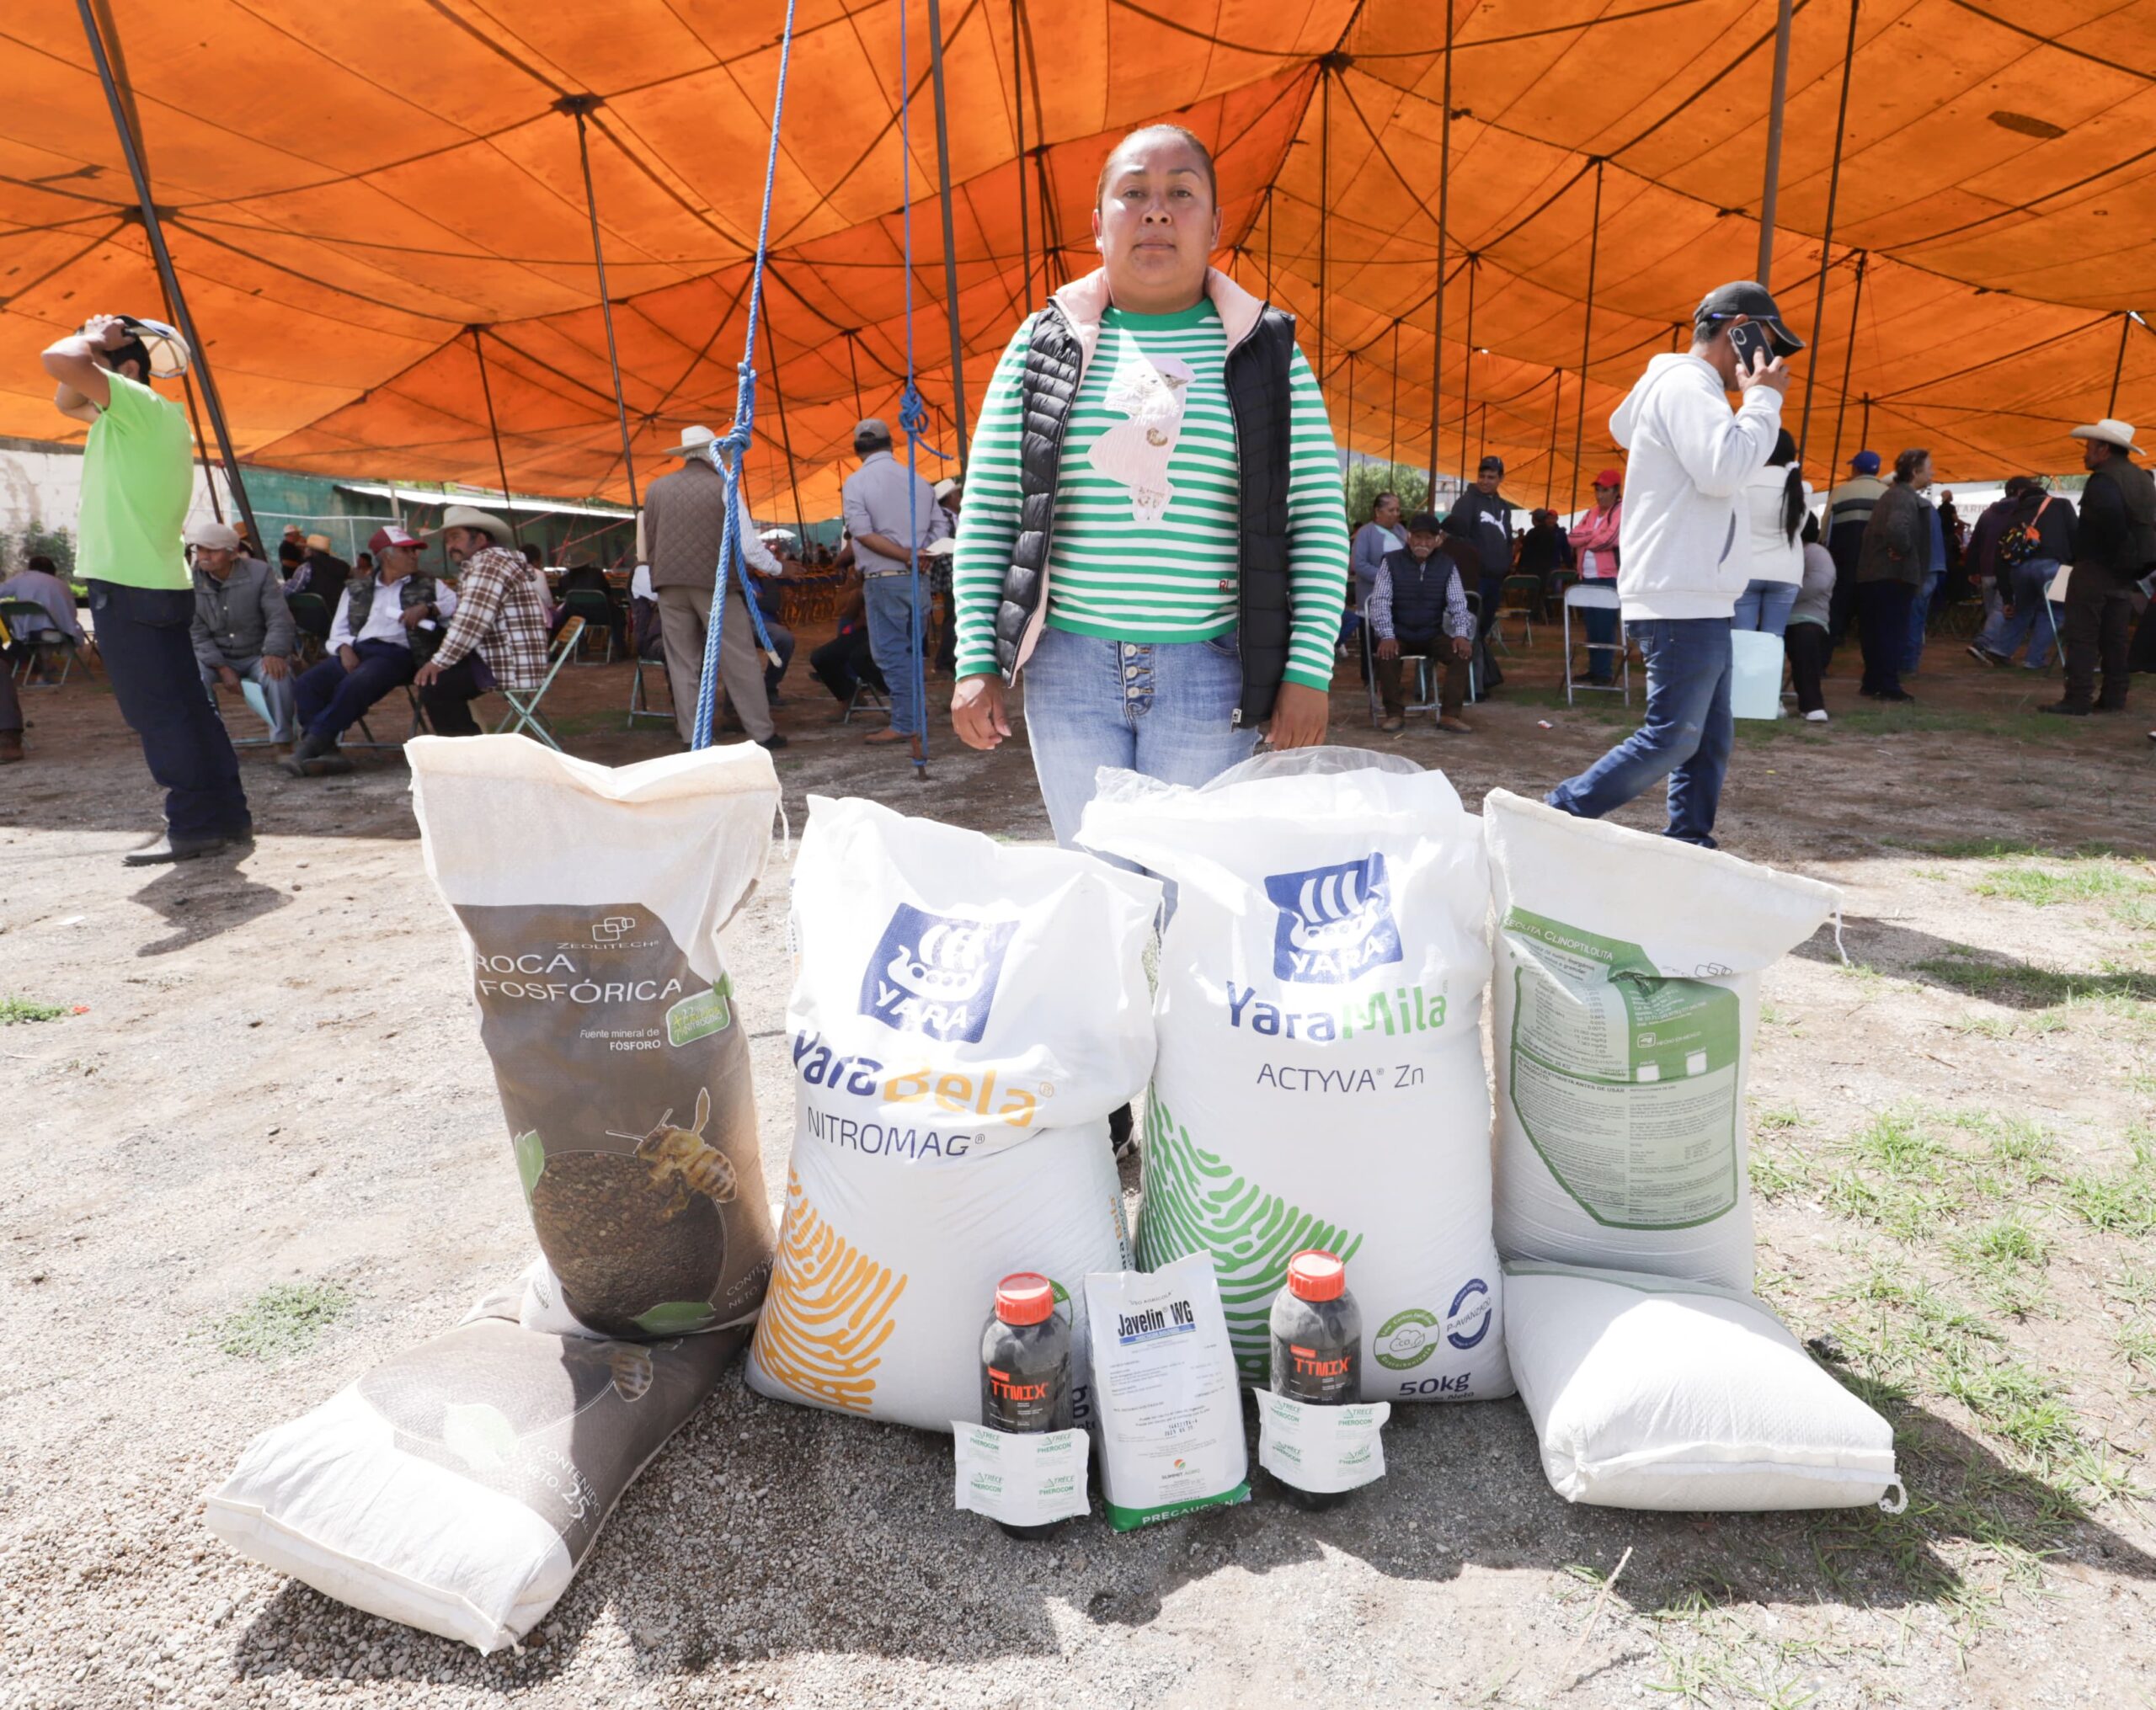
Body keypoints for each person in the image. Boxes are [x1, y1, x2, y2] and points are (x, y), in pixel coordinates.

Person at [949, 120, 1348, 846]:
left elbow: (1317, 518)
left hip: (1212, 674)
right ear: (1097, 224)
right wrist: (976, 655)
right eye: (1133, 193)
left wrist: (1308, 669)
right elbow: (992, 513)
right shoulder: (1041, 346)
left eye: (1181, 193)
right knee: (1102, 882)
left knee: (1187, 888)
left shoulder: (1267, 353)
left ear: (1216, 224)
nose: (1157, 211)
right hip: (1069, 671)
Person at [1545, 280, 1796, 847]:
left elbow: (1626, 429)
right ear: (1740, 331)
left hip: (1689, 590)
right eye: (1769, 344)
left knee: (1706, 739)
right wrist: (1763, 400)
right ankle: (1556, 813)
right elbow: (1722, 470)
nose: (1775, 361)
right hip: (1681, 590)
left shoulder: (1682, 385)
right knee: (1674, 737)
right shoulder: (1688, 387)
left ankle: (1690, 842)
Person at [41, 312, 251, 863]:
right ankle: (226, 818)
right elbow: (66, 397)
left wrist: (91, 341)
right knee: (188, 706)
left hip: (130, 585)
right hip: (151, 582)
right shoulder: (145, 416)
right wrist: (97, 350)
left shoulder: (137, 405)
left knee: (158, 713)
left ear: (126, 369)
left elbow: (58, 361)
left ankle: (194, 824)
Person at [638, 424, 787, 749]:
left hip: (668, 583)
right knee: (739, 658)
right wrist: (779, 568)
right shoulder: (725, 486)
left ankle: (693, 737)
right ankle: (761, 732)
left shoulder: (655, 489)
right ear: (714, 454)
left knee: (683, 661)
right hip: (714, 584)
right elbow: (748, 547)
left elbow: (648, 540)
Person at [286, 524, 456, 768]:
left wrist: (429, 608)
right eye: (407, 551)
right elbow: (338, 631)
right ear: (386, 556)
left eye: (414, 551)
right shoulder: (357, 589)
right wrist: (344, 649)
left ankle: (314, 743)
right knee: (307, 684)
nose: (414, 556)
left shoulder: (429, 584)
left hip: (400, 654)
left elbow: (458, 605)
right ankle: (328, 753)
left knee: (358, 681)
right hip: (359, 650)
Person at [843, 417, 949, 759]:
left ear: (858, 449)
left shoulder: (856, 483)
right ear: (891, 444)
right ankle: (914, 713)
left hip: (884, 580)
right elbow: (940, 525)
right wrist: (921, 555)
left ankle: (906, 721)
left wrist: (905, 555)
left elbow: (862, 533)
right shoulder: (918, 480)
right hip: (917, 577)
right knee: (912, 651)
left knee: (891, 655)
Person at [2047, 417, 2156, 716]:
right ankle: (2114, 696)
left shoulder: (2105, 480)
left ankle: (2078, 697)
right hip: (2127, 572)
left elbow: (2110, 519)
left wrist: (2120, 553)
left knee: (2082, 633)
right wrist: (2132, 563)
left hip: (2098, 566)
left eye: (2089, 447)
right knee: (2115, 636)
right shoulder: (2141, 479)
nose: (2085, 453)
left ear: (2104, 449)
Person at [413, 509, 549, 735]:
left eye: (456, 537)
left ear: (481, 539)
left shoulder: (488, 566)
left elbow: (471, 622)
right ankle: (472, 751)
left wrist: (439, 662)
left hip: (510, 662)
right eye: (447, 540)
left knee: (435, 685)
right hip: (508, 656)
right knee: (439, 680)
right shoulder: (490, 563)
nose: (449, 546)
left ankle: (471, 758)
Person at [189, 518, 297, 744]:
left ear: (232, 553)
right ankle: (212, 742)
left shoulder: (259, 573)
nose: (204, 556)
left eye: (212, 550)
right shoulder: (191, 581)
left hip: (258, 651)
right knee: (192, 678)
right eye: (200, 549)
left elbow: (278, 616)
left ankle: (284, 741)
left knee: (277, 674)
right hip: (216, 656)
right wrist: (221, 666)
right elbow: (196, 632)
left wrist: (274, 652)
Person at [1368, 511, 1474, 735]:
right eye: (1418, 537)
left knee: (1461, 653)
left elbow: (1457, 603)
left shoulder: (1447, 565)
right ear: (1408, 537)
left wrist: (1461, 634)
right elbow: (1380, 601)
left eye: (1428, 538)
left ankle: (1449, 715)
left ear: (1438, 540)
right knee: (1387, 653)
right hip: (1398, 632)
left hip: (1431, 633)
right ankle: (1394, 714)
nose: (1422, 543)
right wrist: (1387, 635)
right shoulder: (1391, 562)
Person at [1854, 448, 1932, 702]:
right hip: (1892, 576)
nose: (1932, 472)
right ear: (1915, 471)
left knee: (1876, 631)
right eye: (1928, 467)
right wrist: (1904, 551)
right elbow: (1898, 529)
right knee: (1891, 631)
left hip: (1876, 575)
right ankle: (1887, 684)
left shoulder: (1893, 495)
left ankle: (1874, 681)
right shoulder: (1902, 498)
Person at [1970, 479, 2072, 671]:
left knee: (2022, 610)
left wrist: (2008, 598)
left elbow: (2002, 559)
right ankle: (2033, 660)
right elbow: (2076, 535)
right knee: (2055, 612)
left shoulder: (2013, 517)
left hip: (2020, 570)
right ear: (2045, 496)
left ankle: (2001, 649)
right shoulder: (2061, 505)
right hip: (2055, 566)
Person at [1735, 429, 1807, 635]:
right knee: (1774, 638)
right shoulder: (1800, 486)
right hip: (1787, 571)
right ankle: (1771, 669)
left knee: (1742, 637)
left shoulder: (1743, 480)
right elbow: (1798, 529)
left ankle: (1742, 669)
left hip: (1746, 569)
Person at [1567, 469, 1624, 685]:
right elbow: (1572, 538)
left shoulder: (1620, 511)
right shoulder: (1592, 513)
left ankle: (1604, 671)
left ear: (1616, 491)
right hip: (1587, 576)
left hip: (1607, 578)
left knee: (1604, 625)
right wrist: (1594, 534)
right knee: (1591, 626)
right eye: (1598, 490)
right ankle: (1596, 668)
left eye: (1605, 491)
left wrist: (1587, 537)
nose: (1600, 495)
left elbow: (1608, 541)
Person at [1825, 450, 1886, 642]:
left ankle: (1827, 654)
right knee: (1874, 616)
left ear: (1855, 468)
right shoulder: (1886, 494)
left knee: (1837, 609)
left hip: (1843, 560)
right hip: (1876, 565)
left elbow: (1826, 528)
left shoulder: (1840, 492)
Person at [1787, 514, 1836, 722]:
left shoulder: (1815, 552)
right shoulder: (1780, 552)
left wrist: (1780, 596)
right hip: (1773, 616)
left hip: (1806, 617)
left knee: (1805, 637)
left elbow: (1818, 583)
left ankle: (1812, 703)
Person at [808, 583, 888, 708]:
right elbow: (842, 610)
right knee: (821, 657)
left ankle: (905, 703)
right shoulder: (859, 580)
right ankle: (850, 698)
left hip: (891, 630)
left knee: (860, 658)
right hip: (864, 630)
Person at [0, 555, 85, 647]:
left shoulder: (22, 578)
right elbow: (73, 614)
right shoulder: (62, 585)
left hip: (28, 633)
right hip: (63, 632)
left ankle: (11, 655)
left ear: (31, 567)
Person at [1350, 491, 1406, 614]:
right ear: (1377, 511)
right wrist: (1386, 578)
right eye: (1391, 510)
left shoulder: (1401, 531)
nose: (1396, 514)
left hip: (1400, 602)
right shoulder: (1365, 532)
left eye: (1398, 510)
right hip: (1371, 601)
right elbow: (1358, 564)